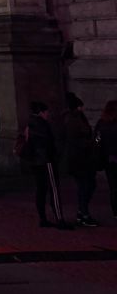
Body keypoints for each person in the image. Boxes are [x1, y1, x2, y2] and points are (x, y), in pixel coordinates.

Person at [21, 100, 67, 228]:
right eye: (46, 112)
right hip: (46, 159)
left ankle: (43, 218)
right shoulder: (42, 125)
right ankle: (59, 218)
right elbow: (48, 142)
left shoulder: (30, 123)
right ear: (41, 112)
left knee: (41, 189)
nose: (48, 114)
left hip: (36, 161)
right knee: (53, 189)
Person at [62, 92, 99, 227]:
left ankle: (82, 211)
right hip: (78, 159)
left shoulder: (77, 118)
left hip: (83, 158)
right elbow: (74, 140)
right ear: (78, 107)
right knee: (85, 186)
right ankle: (83, 213)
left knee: (88, 185)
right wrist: (91, 143)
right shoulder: (72, 120)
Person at [95, 100, 117, 219]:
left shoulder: (101, 123)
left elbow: (97, 141)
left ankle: (116, 211)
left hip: (108, 159)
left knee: (113, 187)